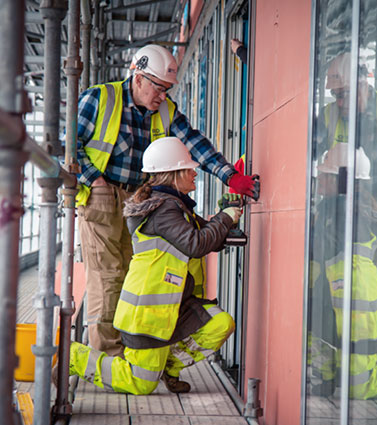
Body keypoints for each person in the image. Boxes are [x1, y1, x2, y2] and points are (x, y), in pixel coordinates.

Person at [75, 44, 259, 358]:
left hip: (139, 200)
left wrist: (229, 176)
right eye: (159, 88)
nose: (163, 96)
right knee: (109, 277)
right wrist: (95, 179)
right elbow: (65, 148)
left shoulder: (165, 109)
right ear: (138, 77)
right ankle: (106, 357)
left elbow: (195, 144)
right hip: (102, 197)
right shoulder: (99, 98)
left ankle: (133, 353)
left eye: (167, 89)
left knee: (137, 277)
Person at [63, 137, 240, 394]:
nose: (194, 172)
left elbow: (207, 236)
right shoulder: (163, 210)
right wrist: (225, 217)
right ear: (173, 173)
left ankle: (169, 365)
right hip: (148, 314)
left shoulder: (175, 206)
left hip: (172, 307)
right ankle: (73, 356)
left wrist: (227, 220)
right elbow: (197, 244)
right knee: (141, 384)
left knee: (221, 324)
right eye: (189, 168)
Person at [319, 52, 377, 351]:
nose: (340, 103)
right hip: (346, 207)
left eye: (344, 95)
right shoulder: (329, 115)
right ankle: (346, 352)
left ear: (364, 83)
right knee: (347, 282)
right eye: (335, 95)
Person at [306, 143, 377, 399]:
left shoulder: (347, 213)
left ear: (343, 180)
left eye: (325, 176)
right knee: (315, 331)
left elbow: (325, 245)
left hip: (358, 314)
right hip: (336, 303)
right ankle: (328, 374)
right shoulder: (334, 208)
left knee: (359, 387)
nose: (318, 181)